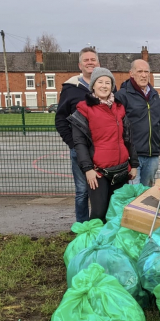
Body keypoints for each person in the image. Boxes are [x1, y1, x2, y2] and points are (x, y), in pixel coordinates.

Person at [68, 68, 138, 222]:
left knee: (116, 213)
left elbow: (128, 138)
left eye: (108, 82)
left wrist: (133, 164)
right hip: (99, 172)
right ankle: (95, 243)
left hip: (121, 170)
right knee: (99, 213)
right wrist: (88, 169)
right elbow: (80, 144)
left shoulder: (119, 108)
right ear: (93, 85)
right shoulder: (83, 110)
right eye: (100, 82)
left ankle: (111, 244)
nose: (104, 86)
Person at [55, 47, 100, 222]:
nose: (90, 62)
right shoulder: (71, 89)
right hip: (80, 150)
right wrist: (73, 143)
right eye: (86, 60)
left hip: (102, 148)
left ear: (98, 63)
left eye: (93, 59)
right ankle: (82, 226)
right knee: (82, 191)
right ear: (80, 65)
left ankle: (99, 224)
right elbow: (60, 119)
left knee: (101, 190)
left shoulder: (106, 85)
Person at [115, 59, 160, 186]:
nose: (144, 75)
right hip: (131, 157)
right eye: (140, 71)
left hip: (152, 156)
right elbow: (116, 127)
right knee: (133, 194)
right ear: (131, 73)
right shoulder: (122, 95)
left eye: (146, 71)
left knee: (145, 194)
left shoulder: (155, 95)